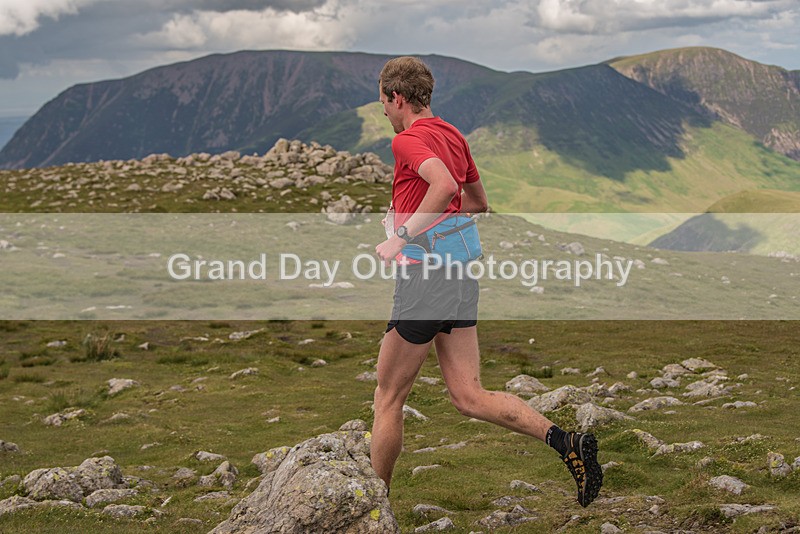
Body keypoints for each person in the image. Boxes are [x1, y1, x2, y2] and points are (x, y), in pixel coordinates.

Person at [371, 56, 603, 508]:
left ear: (397, 97)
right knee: (468, 395)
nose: (383, 111)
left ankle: (372, 506)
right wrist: (422, 220)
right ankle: (566, 443)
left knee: (387, 397)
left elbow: (440, 187)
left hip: (425, 280)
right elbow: (477, 202)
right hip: (459, 275)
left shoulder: (409, 141)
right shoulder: (453, 135)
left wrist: (400, 235)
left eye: (383, 101)